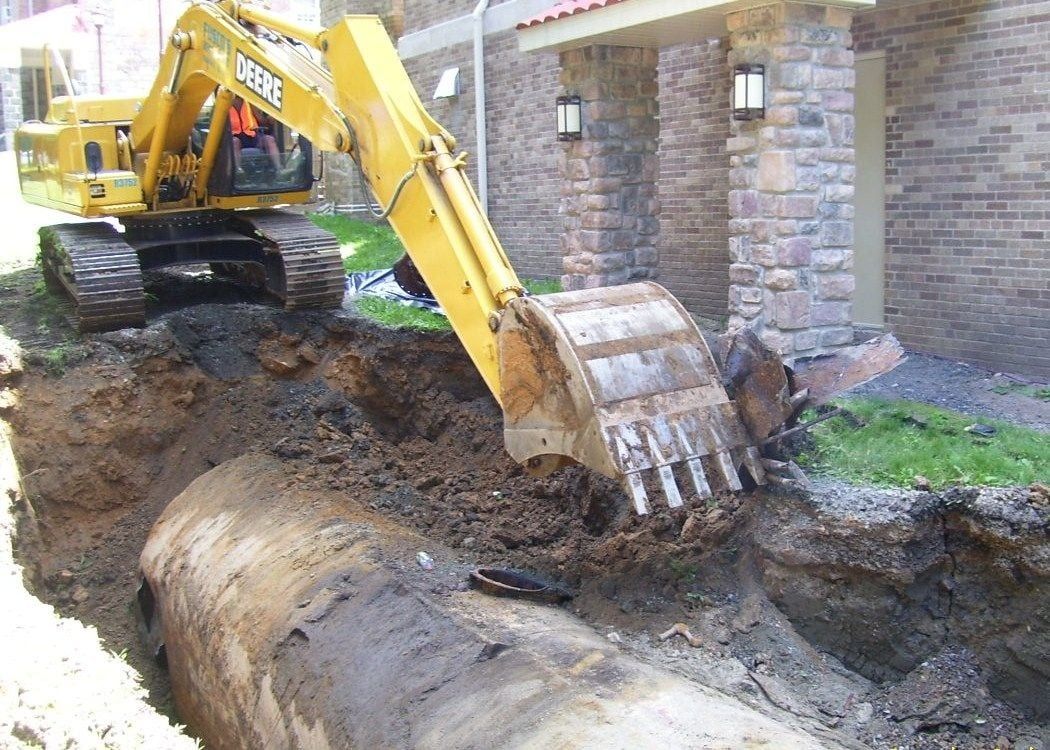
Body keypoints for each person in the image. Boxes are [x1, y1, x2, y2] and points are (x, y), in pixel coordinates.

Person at [228, 96, 280, 170]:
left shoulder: (249, 101)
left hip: (252, 135)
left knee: (270, 139)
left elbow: (261, 120)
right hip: (235, 136)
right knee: (235, 142)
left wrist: (269, 120)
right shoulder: (224, 104)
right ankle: (238, 171)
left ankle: (279, 170)